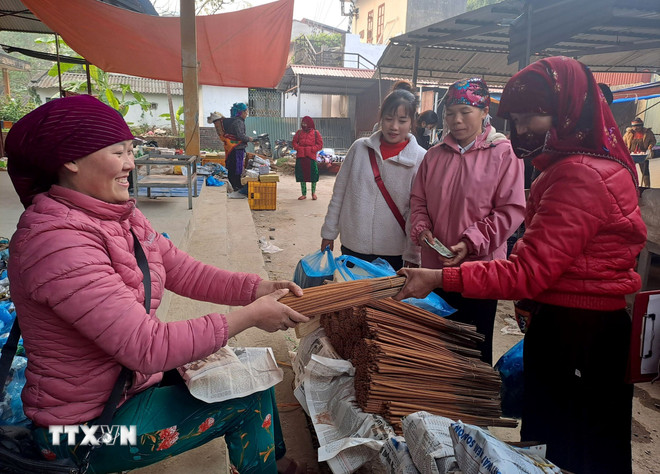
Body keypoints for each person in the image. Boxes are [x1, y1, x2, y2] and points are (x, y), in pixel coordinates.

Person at [5, 95, 309, 474]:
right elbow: (146, 348)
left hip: (128, 387)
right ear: (70, 160)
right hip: (82, 431)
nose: (131, 164)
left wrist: (257, 289)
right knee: (245, 402)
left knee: (254, 374)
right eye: (119, 152)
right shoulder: (57, 241)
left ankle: (274, 463)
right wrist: (249, 317)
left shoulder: (121, 217)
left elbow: (184, 271)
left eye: (131, 151)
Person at [395, 57, 646, 474]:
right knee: (575, 441)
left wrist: (440, 275)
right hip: (572, 321)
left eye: (533, 117)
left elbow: (527, 270)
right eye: (517, 119)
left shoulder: (579, 176)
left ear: (569, 111)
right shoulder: (573, 165)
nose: (522, 130)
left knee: (568, 447)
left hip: (579, 332)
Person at [409, 78, 525, 365]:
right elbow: (418, 199)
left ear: (485, 111)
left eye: (465, 111)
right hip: (435, 267)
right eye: (450, 113)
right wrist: (422, 228)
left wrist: (470, 241)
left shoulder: (504, 154)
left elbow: (510, 210)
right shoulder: (434, 156)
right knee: (437, 344)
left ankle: (471, 407)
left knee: (474, 346)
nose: (456, 120)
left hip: (480, 269)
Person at [321, 87, 426, 271]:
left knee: (385, 300)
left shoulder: (420, 159)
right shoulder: (359, 149)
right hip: (353, 246)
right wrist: (329, 233)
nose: (394, 127)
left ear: (412, 122)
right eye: (388, 119)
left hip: (394, 252)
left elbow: (418, 212)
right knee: (353, 298)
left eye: (402, 121)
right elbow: (339, 193)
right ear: (380, 118)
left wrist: (413, 254)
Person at [224, 102, 256, 195]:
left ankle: (234, 184)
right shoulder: (239, 122)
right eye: (246, 112)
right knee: (236, 167)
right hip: (236, 148)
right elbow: (240, 135)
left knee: (233, 166)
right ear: (241, 112)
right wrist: (249, 139)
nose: (246, 114)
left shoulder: (235, 120)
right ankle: (235, 185)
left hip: (233, 148)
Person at [292, 116, 323, 200]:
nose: (304, 125)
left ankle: (313, 193)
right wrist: (298, 148)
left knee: (313, 175)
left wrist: (312, 149)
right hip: (301, 156)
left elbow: (320, 144)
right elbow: (294, 142)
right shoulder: (299, 133)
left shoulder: (316, 133)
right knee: (301, 175)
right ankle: (304, 194)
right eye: (303, 123)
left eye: (305, 123)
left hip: (311, 157)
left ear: (309, 124)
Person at [623, 117, 656, 187]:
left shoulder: (648, 132)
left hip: (643, 154)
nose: (636, 128)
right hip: (631, 154)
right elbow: (623, 142)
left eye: (637, 126)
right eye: (634, 126)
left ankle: (647, 186)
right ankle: (631, 185)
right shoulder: (628, 133)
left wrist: (650, 146)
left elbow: (653, 141)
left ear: (641, 125)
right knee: (630, 170)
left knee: (645, 171)